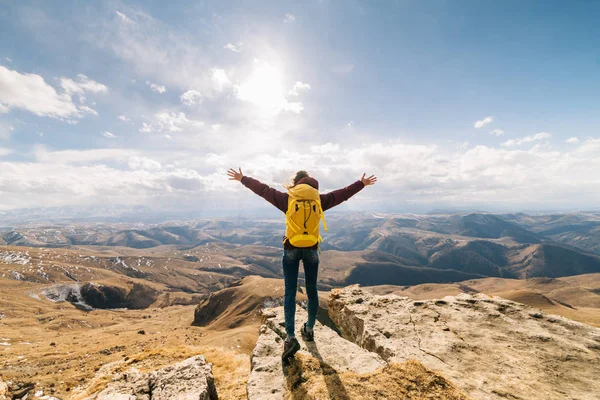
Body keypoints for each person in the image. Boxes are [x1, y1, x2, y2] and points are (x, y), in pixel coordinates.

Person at [227, 167, 377, 359]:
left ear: (296, 183)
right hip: (312, 249)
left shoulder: (288, 199)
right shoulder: (319, 200)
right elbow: (342, 195)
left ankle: (290, 338)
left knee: (290, 291)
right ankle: (309, 328)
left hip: (290, 248)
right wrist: (361, 184)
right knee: (312, 289)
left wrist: (243, 179)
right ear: (313, 184)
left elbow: (263, 190)